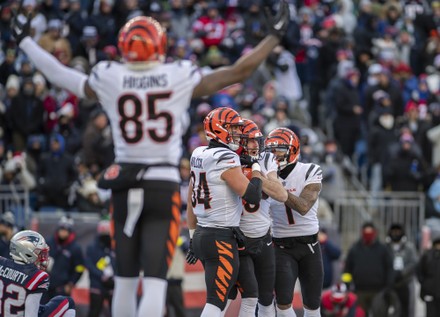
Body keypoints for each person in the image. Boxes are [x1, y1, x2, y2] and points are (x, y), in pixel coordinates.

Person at [11, 1, 290, 316]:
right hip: (162, 182)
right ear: (160, 45)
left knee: (126, 279)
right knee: (156, 281)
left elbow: (62, 76)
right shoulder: (177, 73)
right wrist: (273, 37)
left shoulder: (109, 74)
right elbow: (239, 71)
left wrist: (25, 42)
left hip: (125, 180)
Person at [185, 107, 286, 317]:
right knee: (217, 301)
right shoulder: (226, 157)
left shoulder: (198, 153)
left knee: (247, 293)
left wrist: (192, 237)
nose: (237, 134)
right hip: (219, 236)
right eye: (232, 128)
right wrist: (256, 168)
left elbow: (189, 199)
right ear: (218, 129)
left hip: (204, 232)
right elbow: (252, 195)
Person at [227, 119, 287, 317]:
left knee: (266, 298)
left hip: (263, 237)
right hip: (238, 240)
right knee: (234, 296)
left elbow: (281, 194)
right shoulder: (228, 159)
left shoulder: (266, 159)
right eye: (249, 141)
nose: (254, 145)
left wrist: (254, 172)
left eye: (256, 141)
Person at [265, 127, 324, 317]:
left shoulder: (310, 170)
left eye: (279, 150)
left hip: (309, 246)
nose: (274, 156)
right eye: (271, 151)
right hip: (281, 246)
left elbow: (304, 206)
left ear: (293, 149)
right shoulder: (266, 176)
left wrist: (280, 193)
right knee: (282, 305)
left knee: (313, 307)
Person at [0, 229, 76, 316]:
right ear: (27, 253)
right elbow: (31, 314)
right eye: (38, 252)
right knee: (68, 302)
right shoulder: (37, 276)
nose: (42, 257)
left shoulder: (1, 263)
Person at [343, 222, 394, 315]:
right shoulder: (354, 249)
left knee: (380, 313)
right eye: (366, 232)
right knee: (360, 314)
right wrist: (347, 285)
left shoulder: (383, 249)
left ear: (374, 233)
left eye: (370, 232)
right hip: (359, 291)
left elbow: (389, 268)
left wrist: (388, 287)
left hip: (379, 292)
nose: (368, 235)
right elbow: (347, 270)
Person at [44, 216, 85, 303]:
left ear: (70, 231)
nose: (63, 232)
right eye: (61, 229)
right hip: (45, 286)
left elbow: (80, 268)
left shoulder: (75, 248)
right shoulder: (48, 243)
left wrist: (71, 283)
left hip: (61, 289)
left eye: (66, 230)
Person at [385, 223, 418, 317]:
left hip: (406, 282)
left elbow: (414, 263)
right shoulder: (386, 248)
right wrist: (392, 274)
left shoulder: (409, 247)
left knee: (408, 308)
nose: (395, 234)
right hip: (390, 282)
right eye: (393, 231)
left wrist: (402, 273)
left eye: (398, 231)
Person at [85, 219, 116, 317]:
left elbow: (119, 264)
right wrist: (102, 276)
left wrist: (114, 277)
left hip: (112, 285)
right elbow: (89, 265)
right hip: (97, 285)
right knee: (94, 312)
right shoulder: (92, 248)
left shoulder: (115, 247)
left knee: (115, 311)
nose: (106, 235)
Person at [417, 237, 440, 317]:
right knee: (431, 313)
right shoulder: (427, 256)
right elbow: (419, 271)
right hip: (430, 292)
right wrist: (425, 284)